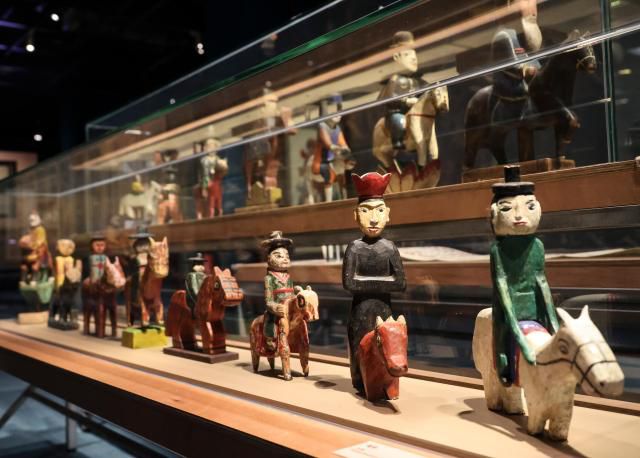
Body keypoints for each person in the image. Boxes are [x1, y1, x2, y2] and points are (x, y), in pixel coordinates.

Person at [490, 165, 559, 386]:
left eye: (528, 207)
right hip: (509, 305)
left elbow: (541, 281)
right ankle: (504, 365)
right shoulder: (498, 250)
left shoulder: (536, 246)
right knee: (503, 336)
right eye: (507, 208)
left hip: (533, 305)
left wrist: (555, 326)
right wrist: (513, 327)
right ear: (495, 213)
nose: (519, 216)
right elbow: (502, 285)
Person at [342, 172, 406, 391]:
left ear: (388, 214)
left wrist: (366, 284)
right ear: (355, 215)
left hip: (384, 311)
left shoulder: (389, 248)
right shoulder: (354, 248)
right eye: (365, 211)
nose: (373, 218)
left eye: (379, 210)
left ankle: (386, 384)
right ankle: (361, 383)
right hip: (360, 312)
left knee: (387, 349)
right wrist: (382, 283)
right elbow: (349, 284)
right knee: (359, 350)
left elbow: (400, 283)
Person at [378, 31, 421, 153]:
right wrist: (406, 101)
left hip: (413, 111)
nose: (414, 58)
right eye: (407, 54)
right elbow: (391, 97)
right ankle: (397, 141)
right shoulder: (395, 80)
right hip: (398, 111)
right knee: (399, 120)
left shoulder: (415, 80)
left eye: (414, 53)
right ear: (396, 57)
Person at [261, 231, 295, 353]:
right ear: (269, 259)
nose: (285, 259)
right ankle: (270, 338)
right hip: (277, 310)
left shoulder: (288, 277)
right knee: (271, 319)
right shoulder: (269, 279)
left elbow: (292, 294)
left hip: (289, 308)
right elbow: (268, 301)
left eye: (286, 256)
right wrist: (275, 307)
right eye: (279, 256)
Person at [185, 252, 207, 319]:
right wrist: (200, 297)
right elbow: (193, 288)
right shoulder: (192, 275)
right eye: (198, 263)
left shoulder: (204, 275)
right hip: (194, 298)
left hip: (203, 298)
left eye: (201, 263)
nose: (201, 266)